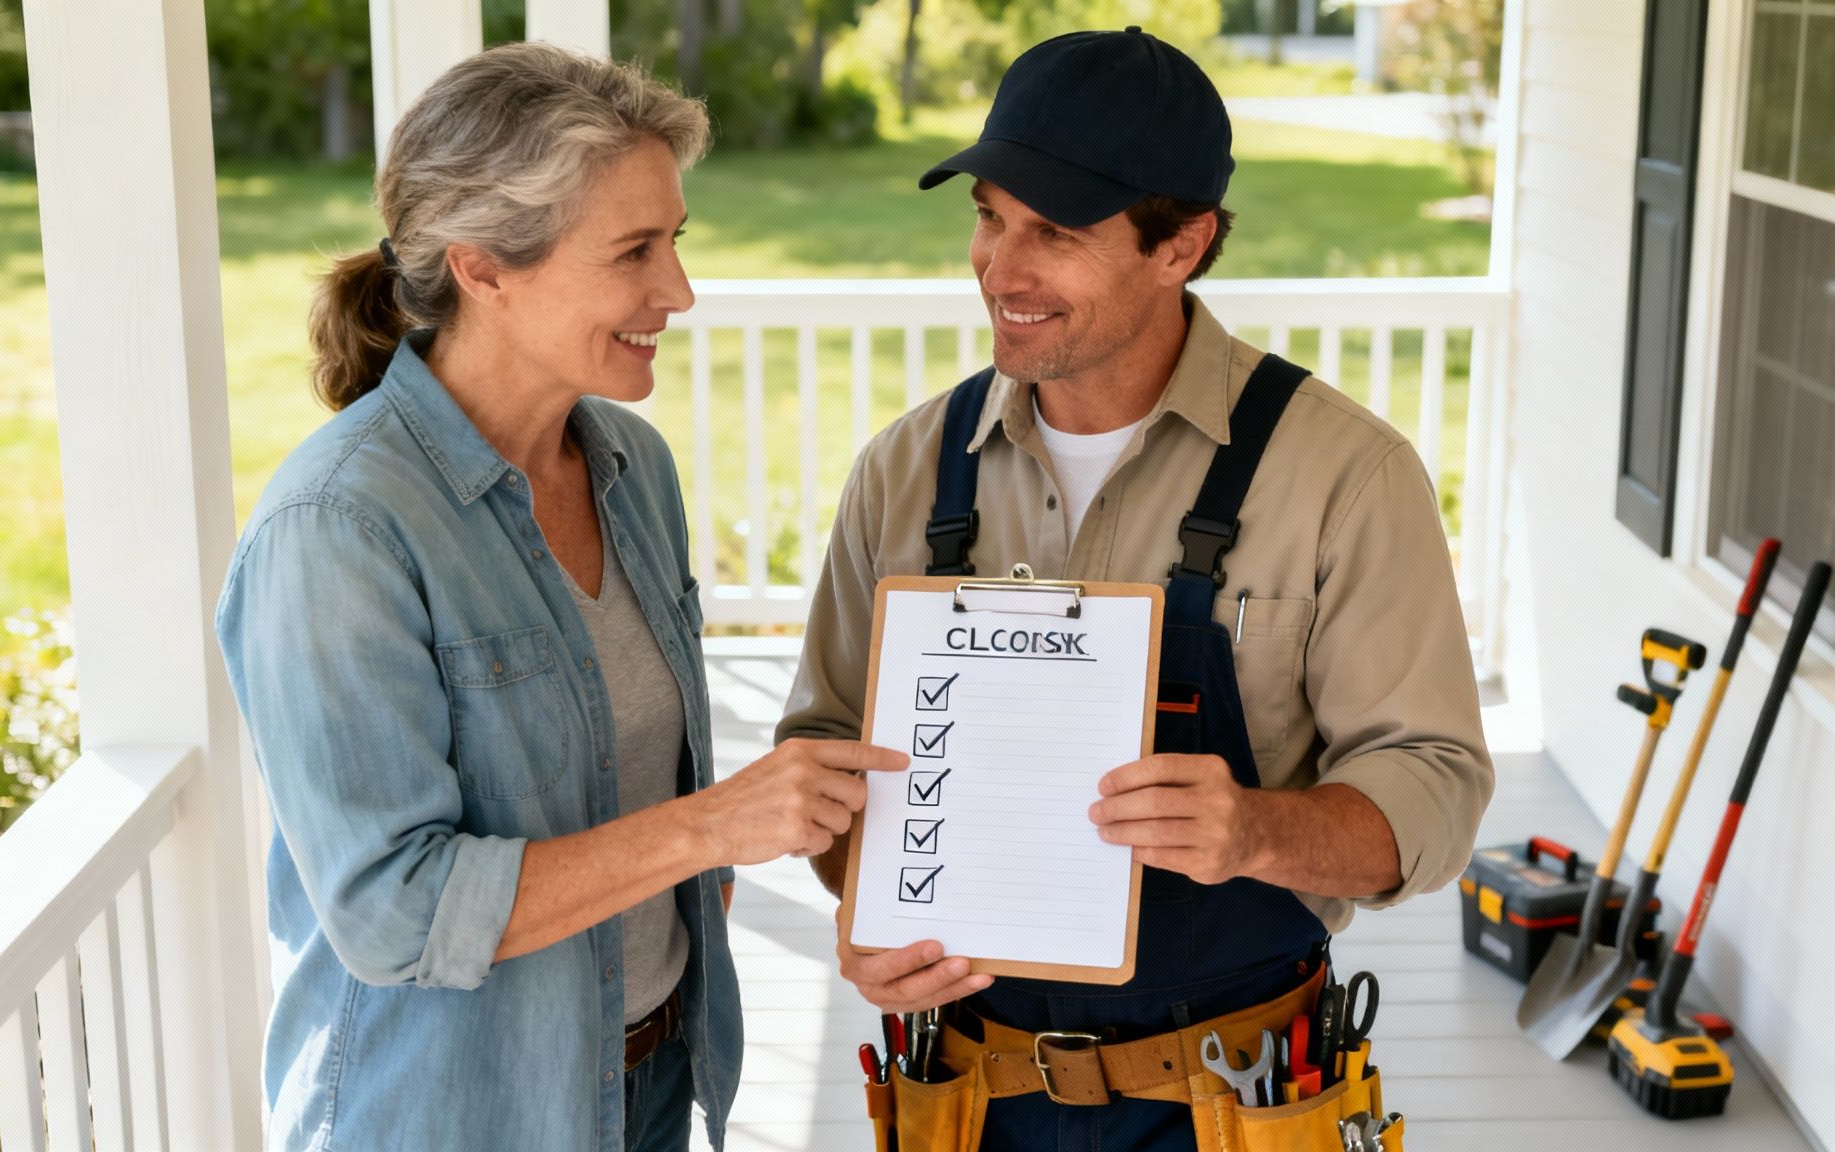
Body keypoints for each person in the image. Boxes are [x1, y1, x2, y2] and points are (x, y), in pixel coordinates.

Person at [777, 28, 1493, 1150]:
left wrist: (1254, 831)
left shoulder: (1344, 476)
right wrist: (864, 906)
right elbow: (827, 753)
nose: (999, 270)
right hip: (965, 1096)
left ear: (1184, 243)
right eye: (987, 216)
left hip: (1238, 1095)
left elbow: (1433, 791)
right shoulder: (906, 471)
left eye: (1053, 232)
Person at [215, 43, 905, 1152]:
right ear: (482, 266)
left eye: (674, 240)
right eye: (633, 251)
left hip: (645, 1083)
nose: (675, 290)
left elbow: (635, 770)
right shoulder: (337, 530)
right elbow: (392, 913)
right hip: (454, 1115)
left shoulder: (629, 466)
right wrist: (712, 827)